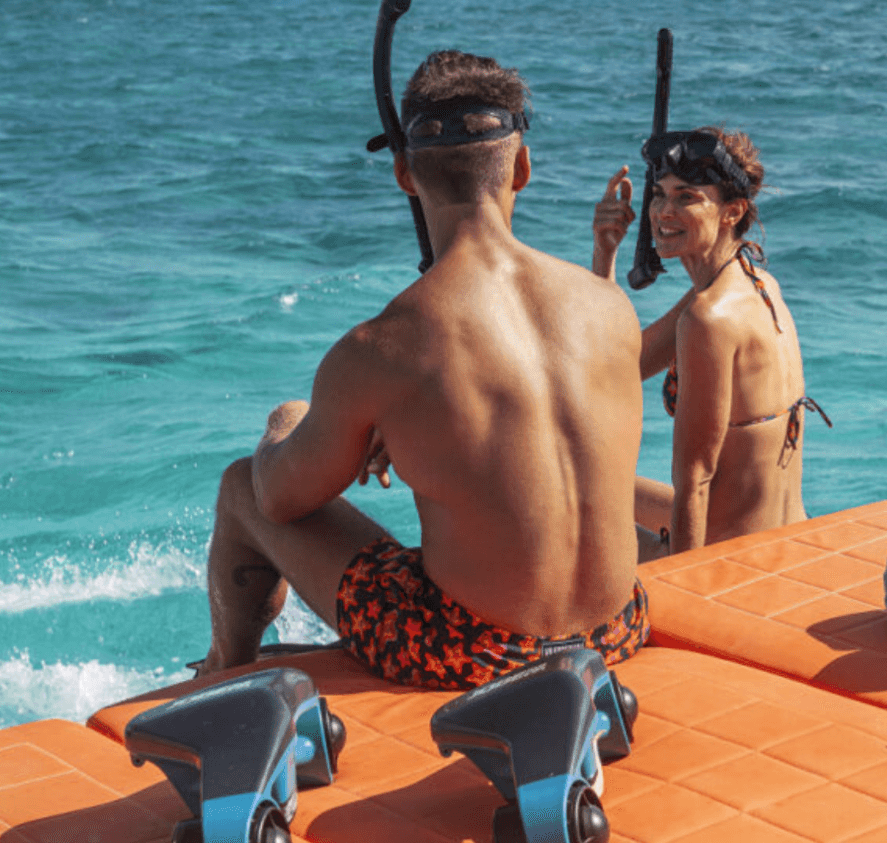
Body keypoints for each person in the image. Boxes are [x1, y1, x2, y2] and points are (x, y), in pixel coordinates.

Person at [198, 51, 648, 688]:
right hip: (615, 632)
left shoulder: (383, 349)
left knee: (242, 486)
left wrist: (289, 420)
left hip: (479, 654)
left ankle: (221, 674)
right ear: (522, 167)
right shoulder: (608, 306)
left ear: (405, 176)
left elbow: (279, 496)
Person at [591, 127, 827, 557]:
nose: (663, 211)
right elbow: (616, 371)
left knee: (556, 508)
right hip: (783, 538)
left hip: (728, 560)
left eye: (686, 197)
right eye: (659, 195)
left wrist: (681, 590)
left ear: (731, 212)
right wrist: (605, 254)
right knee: (587, 482)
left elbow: (695, 481)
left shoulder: (708, 319)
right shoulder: (753, 283)